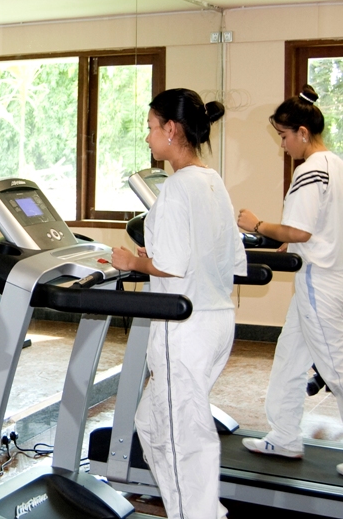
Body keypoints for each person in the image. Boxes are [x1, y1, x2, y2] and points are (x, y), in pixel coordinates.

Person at [111, 89, 246, 519]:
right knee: (151, 424)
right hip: (217, 321)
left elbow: (170, 263)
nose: (148, 138)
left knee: (186, 438)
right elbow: (231, 257)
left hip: (183, 328)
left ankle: (201, 515)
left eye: (151, 128)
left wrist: (131, 261)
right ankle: (186, 508)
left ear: (172, 129)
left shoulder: (175, 188)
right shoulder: (213, 181)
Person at [237, 85, 343, 475]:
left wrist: (258, 225)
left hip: (321, 280)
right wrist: (293, 245)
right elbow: (322, 227)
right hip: (325, 274)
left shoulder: (310, 169)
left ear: (302, 131)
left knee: (334, 366)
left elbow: (299, 231)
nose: (283, 145)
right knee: (290, 356)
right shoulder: (336, 164)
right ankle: (283, 436)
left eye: (283, 136)